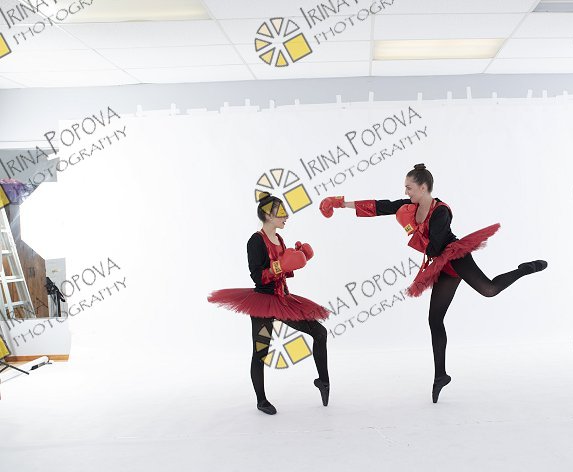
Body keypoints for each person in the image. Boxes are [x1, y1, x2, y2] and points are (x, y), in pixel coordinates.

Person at [319, 163, 547, 403]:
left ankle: (525, 269)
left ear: (423, 187)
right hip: (440, 264)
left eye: (409, 188)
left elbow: (435, 247)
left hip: (455, 256)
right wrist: (341, 204)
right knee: (435, 319)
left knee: (489, 290)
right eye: (405, 188)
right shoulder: (410, 206)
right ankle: (441, 375)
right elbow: (379, 206)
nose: (406, 192)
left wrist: (410, 226)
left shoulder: (441, 211)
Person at [208, 193, 330, 415]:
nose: (286, 216)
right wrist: (281, 264)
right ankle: (261, 400)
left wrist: (300, 257)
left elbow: (284, 270)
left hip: (283, 299)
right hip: (263, 304)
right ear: (268, 215)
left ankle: (323, 381)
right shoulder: (255, 241)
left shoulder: (280, 239)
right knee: (260, 352)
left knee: (320, 333)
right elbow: (258, 276)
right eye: (281, 212)